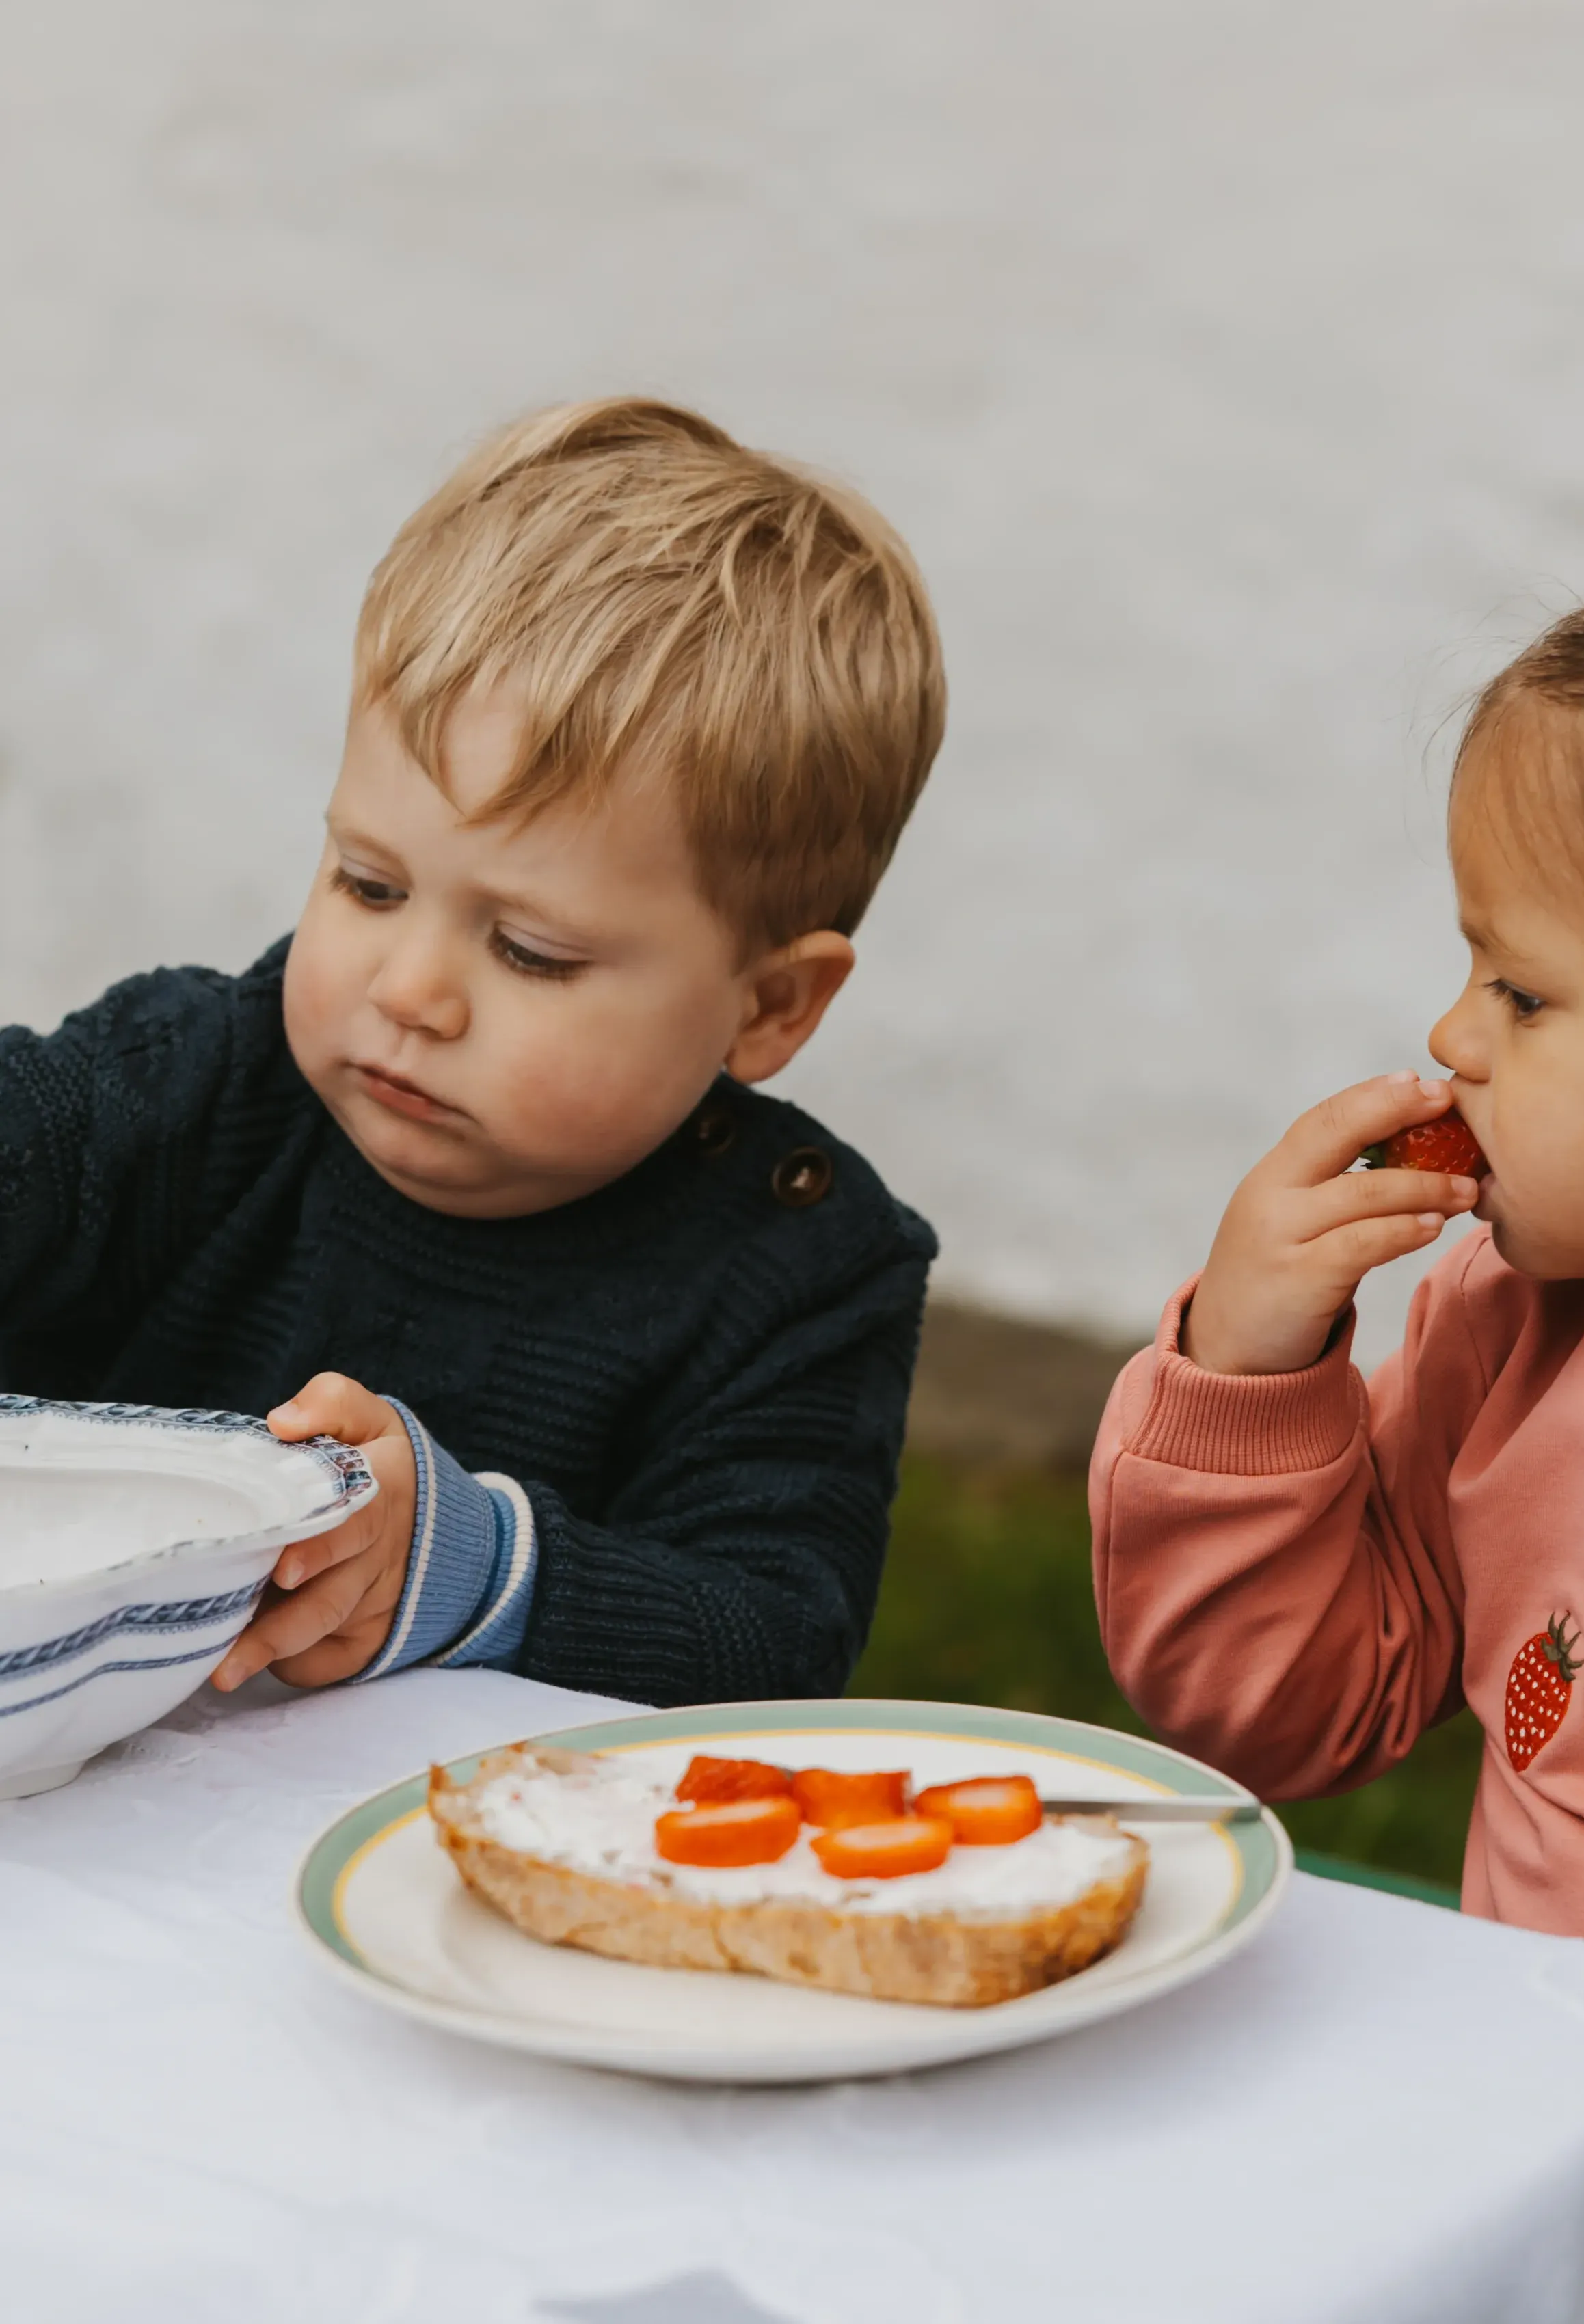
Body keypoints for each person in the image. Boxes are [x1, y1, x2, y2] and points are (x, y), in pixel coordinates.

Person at [0, 396, 943, 1707]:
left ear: (770, 1006)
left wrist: (463, 1566)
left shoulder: (798, 1273)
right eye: (370, 884)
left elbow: (774, 1645)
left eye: (531, 953)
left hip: (453, 1867)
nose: (410, 990)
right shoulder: (208, 1073)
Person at [1091, 537, 1584, 2098]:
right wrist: (1248, 1380)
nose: (1449, 1032)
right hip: (1538, 2135)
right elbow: (1286, 1716)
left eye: (1523, 993)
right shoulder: (1510, 1323)